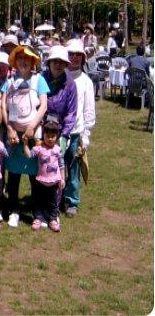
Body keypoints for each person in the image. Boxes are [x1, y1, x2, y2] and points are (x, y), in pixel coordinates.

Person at [1, 45, 49, 228]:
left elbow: (43, 106)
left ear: (32, 62)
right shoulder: (9, 81)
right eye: (19, 58)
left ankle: (38, 213)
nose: (23, 61)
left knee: (35, 174)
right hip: (14, 135)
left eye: (26, 58)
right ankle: (14, 210)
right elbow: (4, 105)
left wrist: (32, 126)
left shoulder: (39, 80)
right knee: (13, 174)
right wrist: (10, 128)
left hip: (33, 134)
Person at [63, 39, 96, 217]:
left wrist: (86, 135)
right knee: (55, 167)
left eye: (78, 55)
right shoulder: (59, 77)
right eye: (71, 54)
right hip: (58, 132)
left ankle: (72, 201)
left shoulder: (86, 81)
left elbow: (89, 111)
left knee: (74, 169)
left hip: (76, 132)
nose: (74, 58)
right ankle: (57, 197)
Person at [22, 120, 66, 232]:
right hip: (41, 181)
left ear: (57, 136)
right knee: (38, 202)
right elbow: (28, 155)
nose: (50, 139)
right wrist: (25, 144)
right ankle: (38, 218)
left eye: (53, 136)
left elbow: (61, 165)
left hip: (54, 182)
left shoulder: (58, 150)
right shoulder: (39, 148)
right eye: (48, 136)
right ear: (43, 135)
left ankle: (52, 220)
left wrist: (62, 178)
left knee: (53, 202)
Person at [42, 45, 77, 155]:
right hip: (41, 130)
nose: (58, 65)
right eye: (55, 61)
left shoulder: (70, 84)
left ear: (66, 64)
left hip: (59, 131)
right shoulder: (41, 79)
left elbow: (71, 112)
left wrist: (64, 136)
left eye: (61, 62)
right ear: (49, 63)